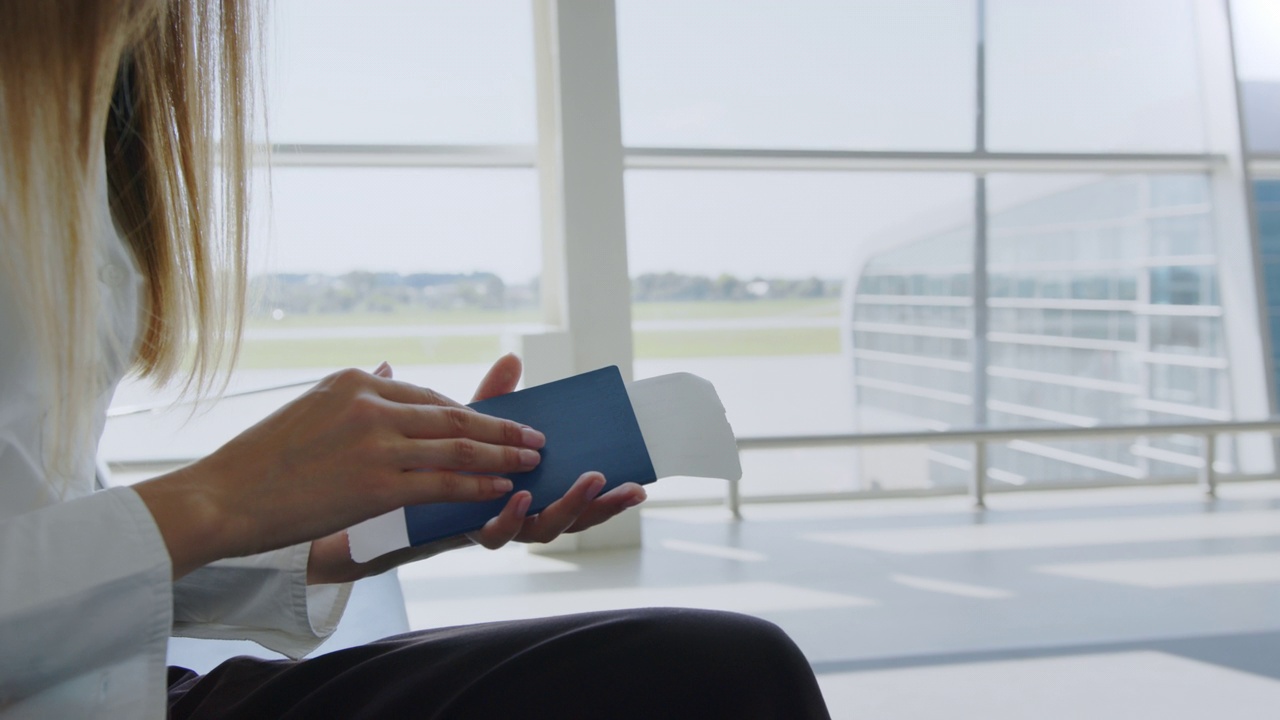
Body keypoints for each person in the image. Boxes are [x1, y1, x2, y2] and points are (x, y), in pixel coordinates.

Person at [0, 2, 832, 718]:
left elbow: (65, 541)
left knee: (708, 670)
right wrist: (223, 496)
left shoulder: (67, 125)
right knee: (721, 676)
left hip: (108, 685)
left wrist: (362, 530)